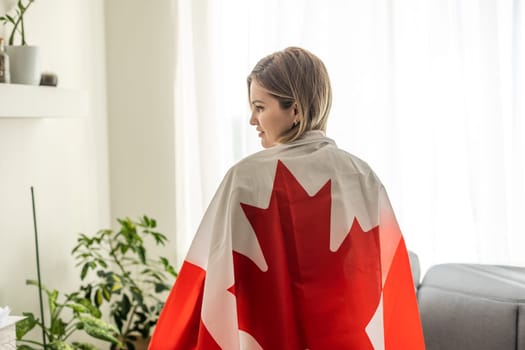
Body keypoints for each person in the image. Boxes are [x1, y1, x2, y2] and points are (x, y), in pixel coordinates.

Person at [149, 47, 425, 349]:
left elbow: (208, 278)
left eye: (260, 107)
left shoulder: (245, 179)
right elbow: (388, 279)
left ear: (295, 109)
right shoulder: (361, 175)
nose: (252, 119)